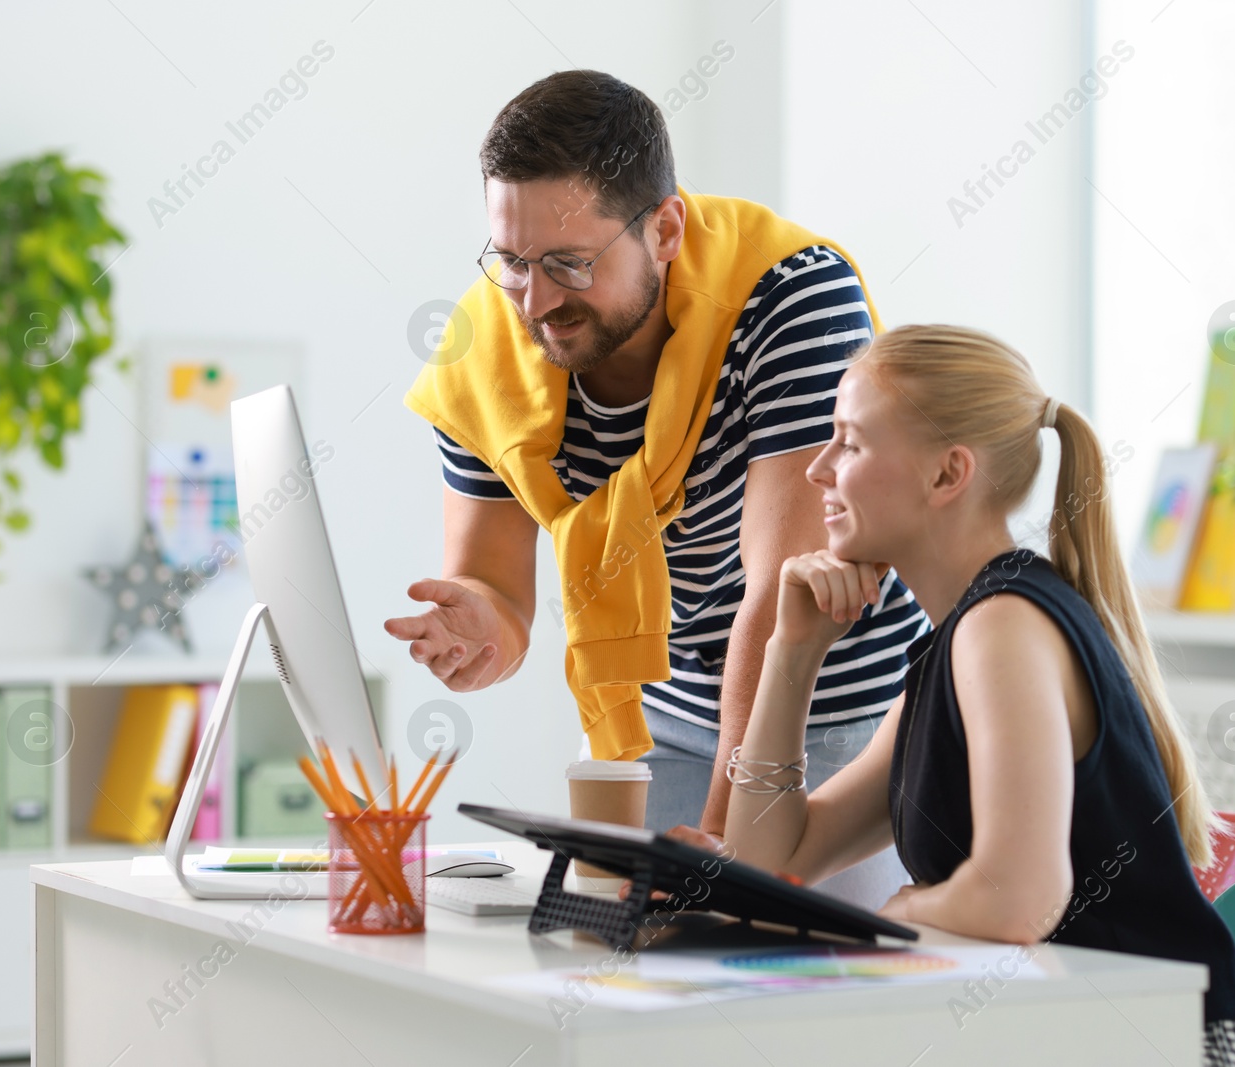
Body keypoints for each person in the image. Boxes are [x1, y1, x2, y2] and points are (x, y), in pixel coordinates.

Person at [385, 69, 927, 909]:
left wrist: (722, 835)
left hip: (832, 704)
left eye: (570, 262)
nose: (536, 301)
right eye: (512, 261)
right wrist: (481, 626)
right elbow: (497, 590)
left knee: (804, 1002)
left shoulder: (791, 299)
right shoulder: (483, 346)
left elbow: (787, 603)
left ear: (666, 227)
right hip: (665, 710)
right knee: (650, 991)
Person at [688, 325, 1235, 1066]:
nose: (819, 469)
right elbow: (769, 863)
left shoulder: (1002, 626)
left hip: (1180, 1049)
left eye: (849, 443)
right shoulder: (956, 645)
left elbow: (1020, 898)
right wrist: (793, 654)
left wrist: (905, 906)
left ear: (948, 475)